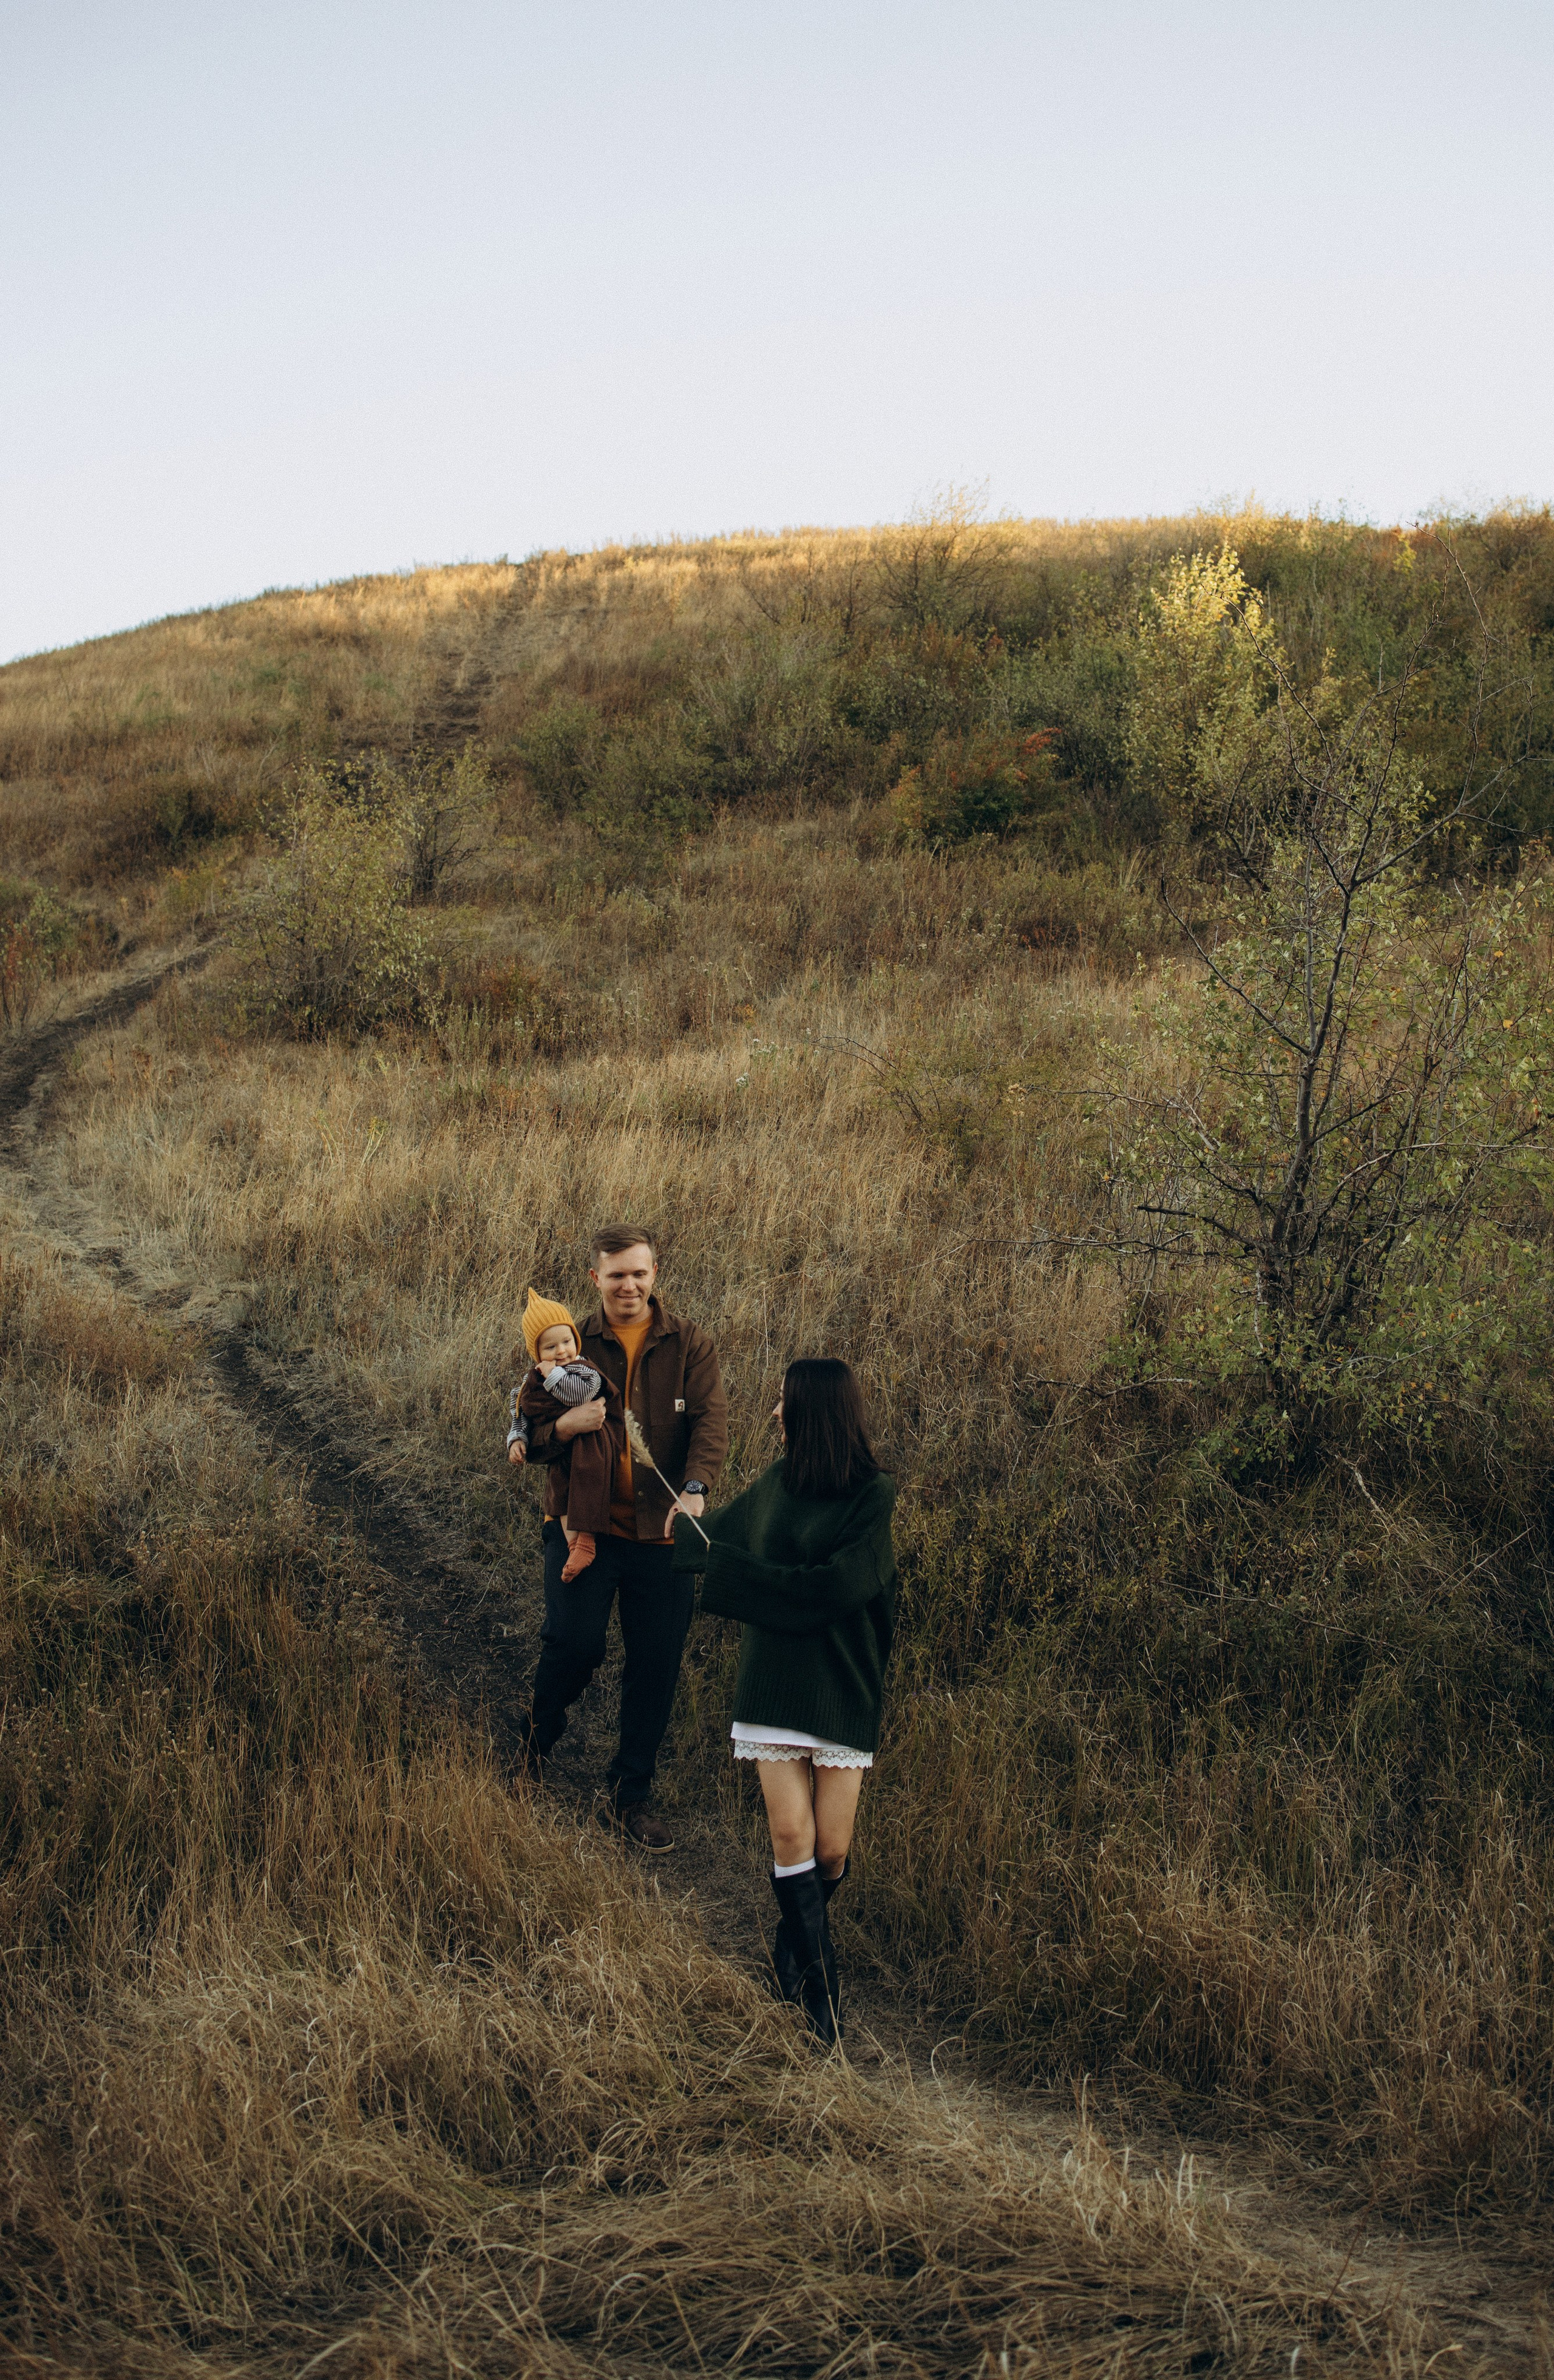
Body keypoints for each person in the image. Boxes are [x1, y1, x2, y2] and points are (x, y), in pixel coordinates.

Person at [672, 1358, 895, 2045]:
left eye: (781, 1402)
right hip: (772, 1680)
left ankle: (789, 1943)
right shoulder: (773, 1485)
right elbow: (715, 1543)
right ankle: (821, 2000)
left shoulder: (871, 1498)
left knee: (831, 1849)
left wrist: (739, 1574)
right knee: (793, 1838)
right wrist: (683, 1521)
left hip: (841, 1683)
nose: (773, 1412)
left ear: (813, 1411)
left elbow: (830, 1589)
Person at [517, 1225, 727, 1852]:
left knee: (655, 1665)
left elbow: (711, 1421)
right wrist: (564, 1429)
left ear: (655, 1272)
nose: (628, 1285)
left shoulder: (689, 1343)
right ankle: (535, 1741)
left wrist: (695, 1487)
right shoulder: (568, 1344)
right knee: (573, 1644)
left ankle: (629, 1794)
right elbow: (528, 1428)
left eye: (638, 1273)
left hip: (662, 1532)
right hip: (583, 1526)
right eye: (616, 1275)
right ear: (596, 1279)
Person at [511, 1288, 626, 1581]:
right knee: (559, 1494)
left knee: (586, 1483)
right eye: (550, 1348)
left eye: (566, 1342)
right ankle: (575, 1546)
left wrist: (553, 1375)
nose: (561, 1352)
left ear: (576, 1341)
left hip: (592, 1447)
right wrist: (517, 1439)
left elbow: (580, 1396)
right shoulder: (532, 1380)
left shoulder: (584, 1369)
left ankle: (585, 1542)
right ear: (536, 1354)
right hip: (560, 1452)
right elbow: (521, 1411)